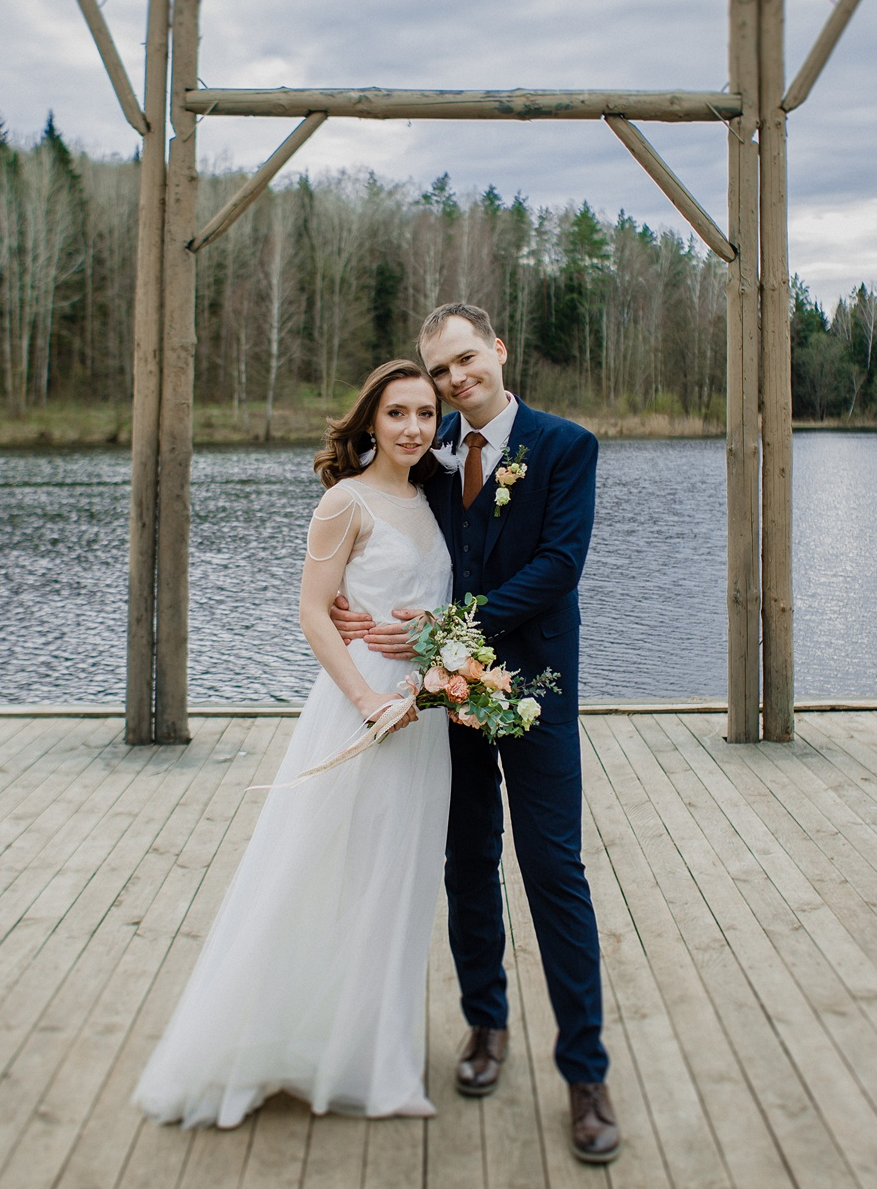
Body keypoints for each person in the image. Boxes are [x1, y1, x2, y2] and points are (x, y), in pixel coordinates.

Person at [332, 302, 621, 1164]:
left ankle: (585, 1074)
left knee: (554, 872)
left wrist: (453, 627)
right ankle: (486, 1027)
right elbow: (382, 527)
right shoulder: (434, 457)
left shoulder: (565, 447)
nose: (458, 380)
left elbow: (559, 566)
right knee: (467, 864)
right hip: (444, 703)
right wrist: (356, 609)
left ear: (497, 351)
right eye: (442, 371)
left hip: (533, 689)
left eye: (467, 361)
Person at [134, 360, 452, 1129]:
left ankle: (371, 1050)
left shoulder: (435, 496)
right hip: (363, 707)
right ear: (370, 421)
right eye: (398, 413)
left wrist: (436, 659)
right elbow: (314, 613)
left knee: (398, 883)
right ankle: (270, 1042)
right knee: (318, 872)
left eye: (426, 414)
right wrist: (369, 698)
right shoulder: (346, 503)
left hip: (426, 713)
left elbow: (439, 601)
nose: (413, 428)